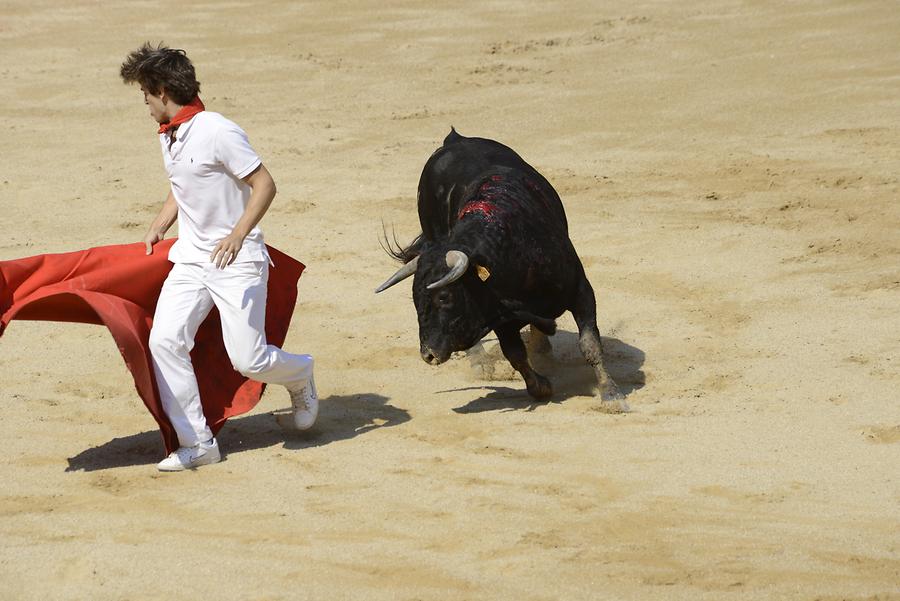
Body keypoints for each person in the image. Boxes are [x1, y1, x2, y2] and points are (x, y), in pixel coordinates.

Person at [120, 43, 318, 472]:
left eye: (145, 95)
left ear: (161, 90)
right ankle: (198, 443)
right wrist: (160, 223)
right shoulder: (171, 133)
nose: (145, 105)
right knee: (164, 340)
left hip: (237, 260)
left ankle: (300, 373)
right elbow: (184, 184)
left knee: (249, 360)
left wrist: (237, 234)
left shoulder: (217, 129)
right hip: (191, 259)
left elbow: (265, 184)